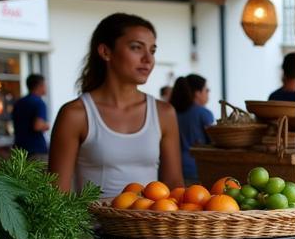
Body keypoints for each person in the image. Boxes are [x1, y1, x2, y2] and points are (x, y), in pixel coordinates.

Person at [49, 12, 183, 203]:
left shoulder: (164, 113)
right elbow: (55, 194)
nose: (148, 59)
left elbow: (174, 184)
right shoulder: (75, 114)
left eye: (152, 51)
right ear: (105, 52)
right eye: (136, 48)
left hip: (151, 230)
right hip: (93, 230)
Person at [170, 74, 214, 182]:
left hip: (172, 167)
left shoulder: (171, 112)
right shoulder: (203, 113)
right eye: (206, 90)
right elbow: (214, 141)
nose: (208, 93)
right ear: (197, 93)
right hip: (196, 168)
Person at [11, 73, 49, 158]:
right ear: (40, 86)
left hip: (19, 149)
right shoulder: (39, 103)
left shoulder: (19, 103)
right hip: (36, 150)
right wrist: (46, 126)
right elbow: (37, 126)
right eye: (45, 85)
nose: (46, 88)